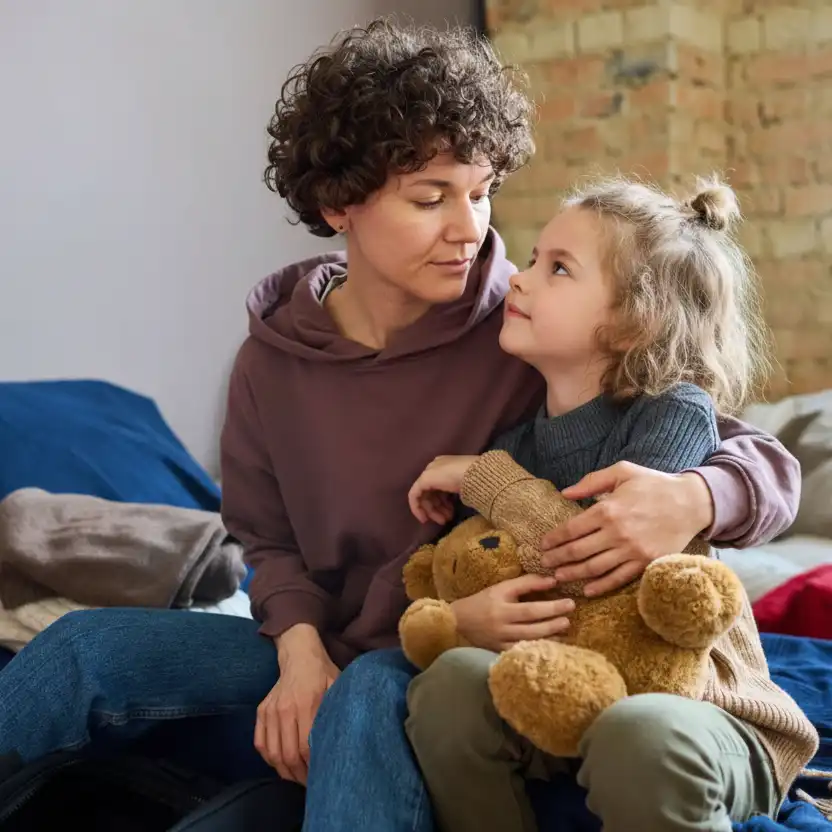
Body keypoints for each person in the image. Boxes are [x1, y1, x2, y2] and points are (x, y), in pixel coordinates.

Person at [0, 19, 803, 832]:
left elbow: (745, 449)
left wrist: (697, 498)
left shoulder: (526, 326)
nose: (471, 227)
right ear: (339, 203)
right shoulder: (270, 364)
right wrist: (299, 649)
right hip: (329, 637)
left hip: (429, 649)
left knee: (364, 697)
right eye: (431, 198)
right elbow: (266, 543)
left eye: (482, 191)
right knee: (80, 649)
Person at [402, 176, 819, 832]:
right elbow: (483, 563)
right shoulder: (515, 443)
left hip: (697, 710)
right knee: (448, 686)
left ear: (634, 321)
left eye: (559, 268)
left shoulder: (671, 413)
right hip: (562, 701)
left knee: (638, 732)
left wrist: (484, 479)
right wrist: (463, 618)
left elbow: (593, 564)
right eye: (534, 258)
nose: (522, 278)